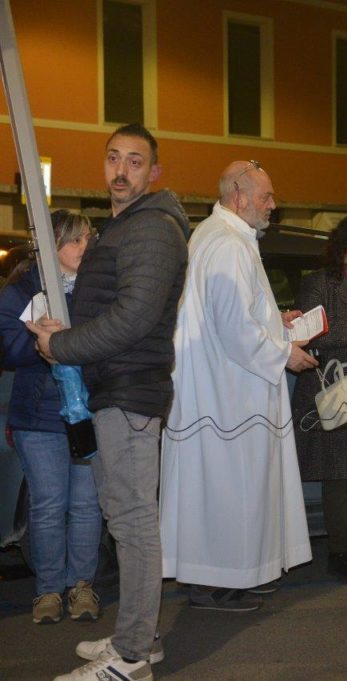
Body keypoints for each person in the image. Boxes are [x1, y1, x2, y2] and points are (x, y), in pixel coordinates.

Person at [27, 123, 189, 681]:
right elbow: (112, 308)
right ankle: (138, 637)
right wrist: (64, 333)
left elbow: (134, 317)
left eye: (135, 161)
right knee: (125, 519)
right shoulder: (126, 226)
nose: (121, 171)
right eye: (114, 158)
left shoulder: (152, 228)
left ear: (154, 172)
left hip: (129, 390)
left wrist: (62, 346)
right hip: (117, 389)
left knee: (134, 523)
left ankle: (133, 657)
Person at [159, 160, 317, 612]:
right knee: (228, 491)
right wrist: (284, 354)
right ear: (238, 195)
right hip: (227, 398)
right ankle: (215, 583)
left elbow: (237, 313)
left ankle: (237, 575)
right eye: (266, 197)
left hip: (224, 391)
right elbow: (233, 328)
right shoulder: (227, 244)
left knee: (231, 490)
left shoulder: (222, 236)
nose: (272, 205)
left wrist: (276, 320)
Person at [0, 210, 101, 625]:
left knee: (87, 505)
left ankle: (82, 586)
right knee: (47, 505)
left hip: (89, 414)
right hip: (38, 417)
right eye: (75, 240)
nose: (84, 247)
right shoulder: (22, 289)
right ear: (50, 244)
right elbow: (7, 348)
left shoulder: (99, 289)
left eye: (88, 238)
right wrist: (38, 339)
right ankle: (48, 591)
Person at [291, 215, 347, 581]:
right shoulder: (319, 283)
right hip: (337, 388)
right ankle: (341, 551)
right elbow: (305, 332)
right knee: (340, 476)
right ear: (341, 247)